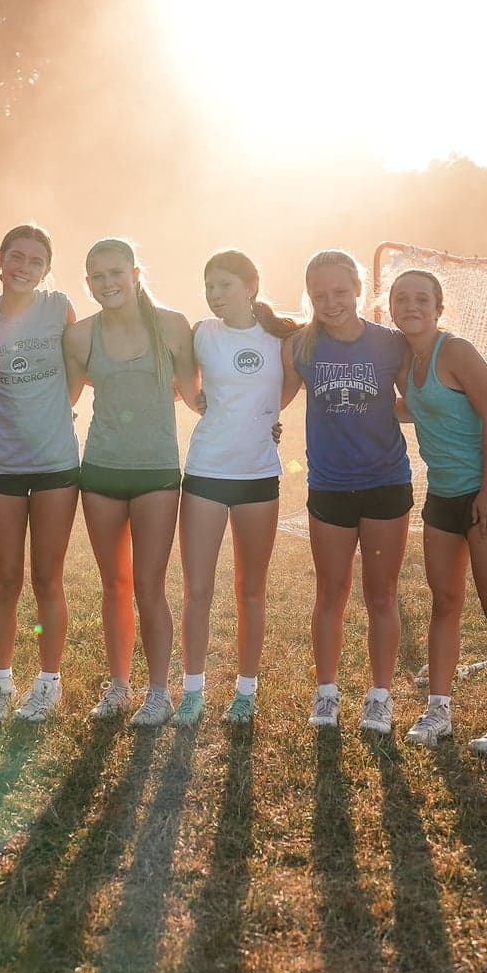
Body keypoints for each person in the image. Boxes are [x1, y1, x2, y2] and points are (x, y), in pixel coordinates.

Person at [389, 269, 487, 755]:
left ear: (438, 309)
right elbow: (417, 408)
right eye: (401, 298)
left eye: (421, 299)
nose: (410, 306)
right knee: (445, 602)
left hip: (485, 493)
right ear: (390, 307)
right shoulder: (401, 359)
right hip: (442, 496)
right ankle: (439, 711)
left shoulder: (455, 352)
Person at [64, 238, 197, 726]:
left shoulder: (173, 325)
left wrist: (260, 417)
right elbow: (62, 399)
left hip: (156, 473)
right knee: (114, 584)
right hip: (100, 471)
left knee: (149, 585)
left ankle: (158, 693)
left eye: (116, 273)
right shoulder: (80, 336)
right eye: (97, 277)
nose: (108, 283)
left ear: (136, 274)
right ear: (88, 283)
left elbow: (195, 395)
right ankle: (119, 687)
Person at [285, 248, 411, 735]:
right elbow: (273, 399)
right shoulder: (300, 345)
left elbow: (414, 400)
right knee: (331, 592)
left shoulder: (390, 344)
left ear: (358, 289)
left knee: (381, 594)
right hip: (330, 486)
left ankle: (380, 696)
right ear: (309, 296)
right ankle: (327, 693)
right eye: (319, 295)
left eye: (340, 291)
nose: (331, 302)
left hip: (385, 482)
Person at [175, 251, 300, 726]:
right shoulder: (201, 333)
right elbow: (182, 383)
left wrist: (268, 417)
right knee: (197, 590)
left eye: (224, 284)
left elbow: (287, 387)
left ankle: (246, 693)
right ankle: (192, 692)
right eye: (209, 286)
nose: (214, 294)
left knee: (251, 590)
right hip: (206, 473)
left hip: (258, 476)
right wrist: (196, 401)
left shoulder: (281, 339)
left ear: (251, 286)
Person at [0, 223, 81, 723]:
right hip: (1, 463)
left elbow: (77, 373)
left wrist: (55, 412)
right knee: (5, 578)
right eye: (17, 257)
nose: (24, 268)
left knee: (46, 577)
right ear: (0, 258)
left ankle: (48, 681)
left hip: (56, 463)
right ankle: (1, 682)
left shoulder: (58, 308)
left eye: (36, 261)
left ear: (47, 269)